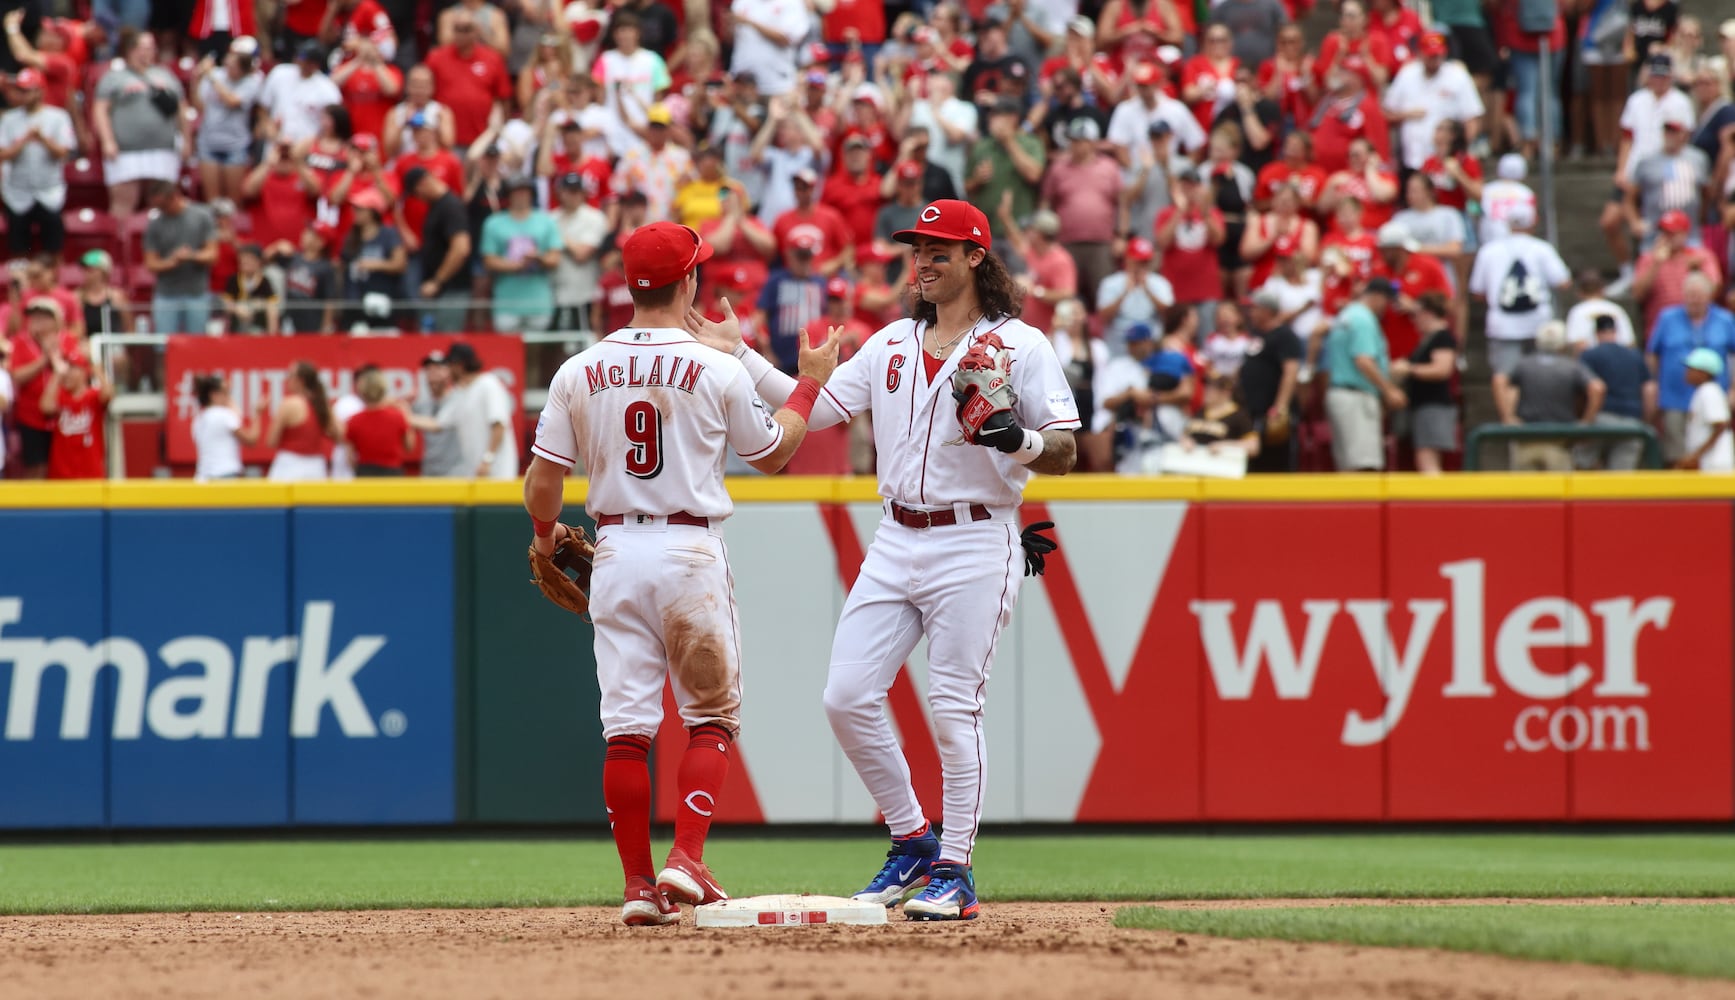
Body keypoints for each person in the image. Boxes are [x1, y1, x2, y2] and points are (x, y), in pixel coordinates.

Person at [687, 198, 1080, 922]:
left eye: (937, 250)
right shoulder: (893, 341)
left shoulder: (1019, 344)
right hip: (896, 536)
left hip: (973, 535)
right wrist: (740, 355)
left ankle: (956, 872)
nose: (921, 261)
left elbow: (1063, 449)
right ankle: (912, 839)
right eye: (915, 249)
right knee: (845, 695)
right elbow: (816, 409)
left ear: (974, 259)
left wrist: (1011, 437)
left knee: (953, 709)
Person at [523, 219, 839, 926]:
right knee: (711, 718)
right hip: (687, 549)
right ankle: (687, 858)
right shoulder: (717, 368)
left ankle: (638, 887)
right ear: (689, 280)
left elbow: (544, 482)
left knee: (626, 730)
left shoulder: (578, 368)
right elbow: (773, 452)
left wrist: (545, 540)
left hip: (613, 553)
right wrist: (809, 385)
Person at [1468, 202, 1570, 399]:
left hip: (1502, 324)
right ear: (1534, 223)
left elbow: (1477, 292)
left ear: (1507, 224)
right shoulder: (1542, 249)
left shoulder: (1489, 250)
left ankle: (1510, 421)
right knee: (1542, 375)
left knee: (1505, 377)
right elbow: (1563, 282)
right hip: (1539, 322)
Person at [92, 28, 186, 221]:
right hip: (126, 151)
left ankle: (160, 249)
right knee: (123, 203)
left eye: (151, 47)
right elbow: (100, 110)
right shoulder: (113, 77)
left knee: (163, 203)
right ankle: (120, 248)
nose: (147, 52)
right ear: (129, 49)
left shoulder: (165, 75)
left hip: (163, 148)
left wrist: (187, 140)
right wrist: (107, 141)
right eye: (142, 47)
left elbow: (182, 109)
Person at [1646, 272, 1735, 463]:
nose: (1694, 300)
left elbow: (1719, 426)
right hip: (1674, 395)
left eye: (1699, 295)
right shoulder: (1667, 318)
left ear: (1709, 295)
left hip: (1716, 391)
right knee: (1674, 448)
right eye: (1690, 295)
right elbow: (1652, 353)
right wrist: (1654, 384)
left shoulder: (1725, 319)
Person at [1322, 276, 1405, 472]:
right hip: (1356, 396)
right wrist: (1389, 390)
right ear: (1376, 296)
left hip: (1340, 393)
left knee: (1348, 467)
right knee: (1364, 466)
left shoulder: (1347, 314)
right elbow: (1363, 360)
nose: (1387, 307)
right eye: (1387, 300)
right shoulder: (1363, 319)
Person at [1501, 321, 1605, 472]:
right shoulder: (1571, 366)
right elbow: (1598, 388)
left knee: (1524, 494)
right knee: (1558, 494)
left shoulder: (1524, 364)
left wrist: (1508, 416)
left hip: (1526, 437)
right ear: (1563, 345)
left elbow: (1500, 380)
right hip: (1558, 440)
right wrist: (1586, 422)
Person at [0, 67, 75, 256]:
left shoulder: (58, 117)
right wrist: (24, 140)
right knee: (18, 248)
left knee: (53, 247)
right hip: (17, 193)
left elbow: (63, 153)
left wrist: (42, 138)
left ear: (40, 90)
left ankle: (53, 283)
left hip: (49, 192)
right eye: (21, 90)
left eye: (28, 90)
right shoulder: (9, 119)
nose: (24, 95)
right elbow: (3, 154)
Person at [6, 298, 80, 478]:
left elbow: (77, 369)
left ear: (56, 320)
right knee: (36, 467)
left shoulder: (67, 339)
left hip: (64, 415)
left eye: (44, 317)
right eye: (34, 317)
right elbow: (17, 376)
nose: (38, 321)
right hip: (31, 417)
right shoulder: (20, 342)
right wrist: (45, 359)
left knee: (64, 464)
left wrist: (57, 354)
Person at [1388, 291, 1458, 475]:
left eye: (1416, 314)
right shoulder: (1427, 340)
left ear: (1428, 313)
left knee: (1427, 458)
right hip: (1422, 406)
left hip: (1434, 406)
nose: (1414, 319)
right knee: (1423, 456)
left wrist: (1409, 369)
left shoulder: (1442, 337)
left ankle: (1436, 501)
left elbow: (1442, 369)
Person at [481, 175, 562, 332]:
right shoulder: (494, 223)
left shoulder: (546, 221)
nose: (521, 196)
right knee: (507, 351)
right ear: (508, 195)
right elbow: (488, 260)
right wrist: (517, 265)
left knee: (537, 352)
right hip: (506, 302)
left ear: (532, 194)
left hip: (539, 302)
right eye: (516, 192)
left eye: (525, 191)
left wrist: (538, 258)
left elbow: (555, 259)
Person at [1577, 314, 1656, 471]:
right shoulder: (1635, 355)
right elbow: (1650, 390)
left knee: (1583, 469)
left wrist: (1586, 421)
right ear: (1615, 331)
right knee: (1621, 480)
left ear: (1597, 333)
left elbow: (1588, 390)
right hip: (1631, 421)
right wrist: (1645, 422)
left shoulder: (1590, 355)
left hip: (1600, 418)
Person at [191, 35, 264, 205]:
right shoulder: (216, 75)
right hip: (209, 143)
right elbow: (199, 106)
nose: (229, 67)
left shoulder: (253, 81)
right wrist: (196, 79)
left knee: (233, 204)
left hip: (235, 145)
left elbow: (231, 101)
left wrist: (210, 76)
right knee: (213, 203)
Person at [142, 181, 218, 335]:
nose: (161, 210)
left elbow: (213, 254)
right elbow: (150, 263)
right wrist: (173, 261)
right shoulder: (155, 224)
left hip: (197, 293)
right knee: (164, 344)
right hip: (166, 294)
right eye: (158, 207)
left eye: (163, 206)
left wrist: (191, 255)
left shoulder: (201, 216)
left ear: (174, 197)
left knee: (197, 345)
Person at [1239, 287, 1302, 473]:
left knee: (1277, 462)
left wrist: (1280, 407)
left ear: (1267, 310)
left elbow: (1290, 372)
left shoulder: (1284, 335)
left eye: (1254, 308)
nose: (1250, 313)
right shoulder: (1257, 336)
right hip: (1254, 412)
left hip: (1272, 412)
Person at [404, 165, 473, 332]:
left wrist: (438, 281)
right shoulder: (438, 206)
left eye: (416, 194)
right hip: (442, 291)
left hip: (451, 289)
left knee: (445, 339)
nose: (418, 198)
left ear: (422, 184)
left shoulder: (450, 206)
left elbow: (461, 248)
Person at [1095, 236, 1175, 355]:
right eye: (1138, 262)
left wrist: (1148, 290)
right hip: (1118, 345)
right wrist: (1124, 293)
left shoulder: (1160, 283)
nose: (1141, 266)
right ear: (1127, 260)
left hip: (1150, 345)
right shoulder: (1111, 283)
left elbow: (1170, 316)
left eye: (1145, 262)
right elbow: (1104, 317)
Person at [41, 350, 112, 480]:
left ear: (84, 372)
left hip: (91, 474)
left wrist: (96, 369)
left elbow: (108, 395)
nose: (67, 373)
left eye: (72, 368)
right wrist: (57, 374)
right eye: (66, 368)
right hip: (61, 474)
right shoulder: (60, 395)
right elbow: (46, 407)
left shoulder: (93, 395)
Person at [266, 360, 337, 481]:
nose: (287, 379)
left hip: (289, 466)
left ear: (300, 380)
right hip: (316, 468)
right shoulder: (322, 405)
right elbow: (338, 434)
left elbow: (271, 441)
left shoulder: (289, 404)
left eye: (290, 375)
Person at [342, 368, 413, 476]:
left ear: (361, 392)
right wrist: (407, 414)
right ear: (383, 389)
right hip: (392, 475)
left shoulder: (353, 420)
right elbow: (409, 446)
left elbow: (350, 457)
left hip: (365, 474)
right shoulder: (398, 417)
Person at [191, 373, 262, 480]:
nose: (229, 396)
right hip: (225, 475)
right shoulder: (225, 415)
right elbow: (251, 440)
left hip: (202, 477)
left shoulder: (198, 420)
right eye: (226, 392)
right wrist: (258, 414)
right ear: (214, 395)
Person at [1679, 347, 1734, 471]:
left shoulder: (1710, 391)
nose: (1687, 372)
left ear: (1703, 372)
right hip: (1708, 464)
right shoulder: (1703, 391)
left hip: (1716, 464)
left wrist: (1696, 455)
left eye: (1691, 369)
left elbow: (1721, 425)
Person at [413, 351, 465, 477]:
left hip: (456, 473)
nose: (433, 375)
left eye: (438, 369)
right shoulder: (421, 404)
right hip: (429, 472)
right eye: (429, 370)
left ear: (449, 372)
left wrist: (405, 413)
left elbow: (436, 425)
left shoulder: (459, 399)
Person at [1564, 269, 1637, 351]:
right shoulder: (1617, 309)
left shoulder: (1577, 311)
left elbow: (1577, 345)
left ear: (1579, 292)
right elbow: (1630, 343)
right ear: (1603, 289)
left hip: (1590, 361)